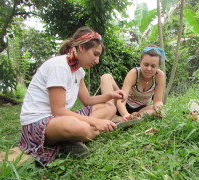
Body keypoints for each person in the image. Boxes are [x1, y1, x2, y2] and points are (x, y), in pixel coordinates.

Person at [19, 26, 126, 165]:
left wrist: (111, 95)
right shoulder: (59, 66)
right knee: (76, 126)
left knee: (110, 108)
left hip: (58, 119)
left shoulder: (78, 71)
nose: (97, 60)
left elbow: (88, 100)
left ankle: (77, 136)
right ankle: (82, 133)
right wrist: (96, 122)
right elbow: (58, 110)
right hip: (38, 124)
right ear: (81, 48)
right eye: (95, 54)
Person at [100, 45, 166, 121]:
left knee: (154, 110)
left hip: (140, 110)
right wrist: (126, 115)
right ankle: (111, 114)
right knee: (106, 77)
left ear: (158, 66)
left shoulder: (159, 76)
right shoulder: (134, 73)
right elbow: (121, 99)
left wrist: (159, 110)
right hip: (123, 104)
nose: (149, 69)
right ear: (140, 62)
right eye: (146, 64)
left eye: (153, 66)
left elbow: (157, 101)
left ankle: (132, 119)